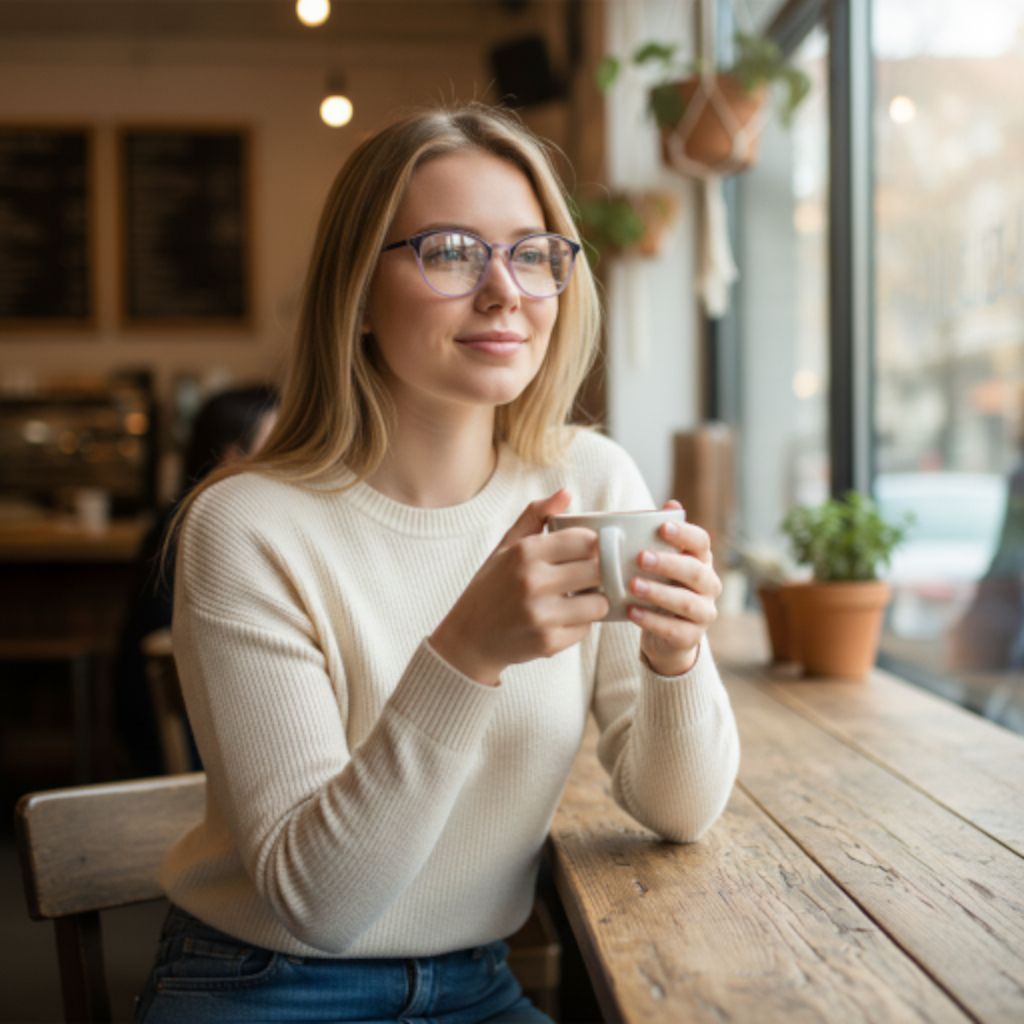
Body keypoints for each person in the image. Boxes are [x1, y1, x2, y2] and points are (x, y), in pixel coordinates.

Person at [132, 102, 740, 1024]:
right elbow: (319, 904)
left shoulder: (587, 479)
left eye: (534, 253)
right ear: (358, 292)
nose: (505, 291)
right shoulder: (247, 528)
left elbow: (680, 810)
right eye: (452, 251)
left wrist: (676, 657)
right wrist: (466, 654)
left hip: (480, 984)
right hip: (270, 987)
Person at [112, 385, 279, 778]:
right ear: (232, 455)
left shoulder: (196, 516)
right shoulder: (209, 528)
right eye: (279, 441)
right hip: (180, 746)